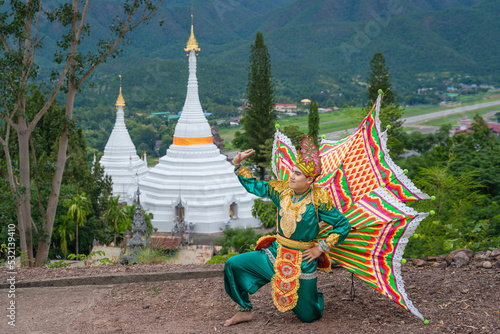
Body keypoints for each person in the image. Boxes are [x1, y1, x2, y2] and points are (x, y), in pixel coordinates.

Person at [223, 137, 351, 327]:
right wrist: (237, 164)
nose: (291, 176)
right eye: (292, 171)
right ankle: (244, 310)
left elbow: (343, 225)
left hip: (304, 260)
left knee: (309, 316)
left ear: (309, 179)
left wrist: (320, 249)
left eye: (297, 174)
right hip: (275, 253)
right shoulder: (281, 190)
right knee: (233, 264)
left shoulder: (319, 200)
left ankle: (311, 297)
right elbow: (256, 186)